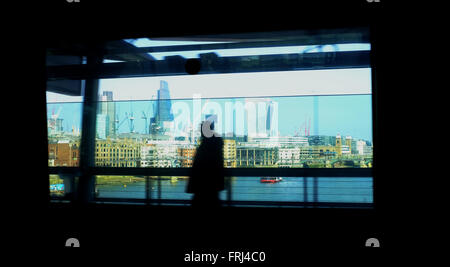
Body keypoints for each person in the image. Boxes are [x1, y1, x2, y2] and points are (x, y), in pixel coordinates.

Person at [186, 120, 225, 208]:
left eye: (201, 130)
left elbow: (198, 166)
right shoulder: (216, 143)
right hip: (213, 185)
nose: (200, 132)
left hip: (202, 185)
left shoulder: (206, 145)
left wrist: (191, 186)